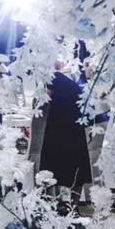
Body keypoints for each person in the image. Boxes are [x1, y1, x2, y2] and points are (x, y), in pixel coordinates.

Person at [39, 62, 92, 201]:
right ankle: (73, 204)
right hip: (77, 128)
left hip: (58, 128)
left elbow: (44, 102)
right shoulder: (72, 83)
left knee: (51, 165)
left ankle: (52, 202)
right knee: (77, 168)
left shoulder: (52, 78)